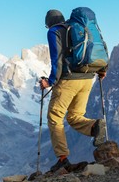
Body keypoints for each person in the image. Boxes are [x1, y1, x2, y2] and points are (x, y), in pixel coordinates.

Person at [40, 9, 107, 172]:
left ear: (49, 22)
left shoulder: (54, 31)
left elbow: (57, 59)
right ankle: (95, 126)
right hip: (87, 78)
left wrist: (49, 81)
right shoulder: (75, 28)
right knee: (75, 116)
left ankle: (62, 159)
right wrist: (102, 70)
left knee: (55, 117)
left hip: (69, 80)